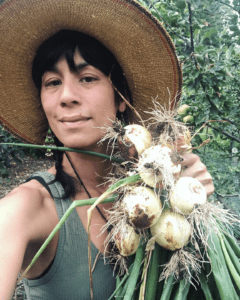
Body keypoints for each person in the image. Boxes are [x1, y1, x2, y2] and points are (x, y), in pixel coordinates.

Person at [0, 0, 214, 299]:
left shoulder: (161, 183)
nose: (66, 97)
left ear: (121, 97)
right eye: (52, 82)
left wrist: (195, 207)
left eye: (87, 78)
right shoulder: (24, 208)